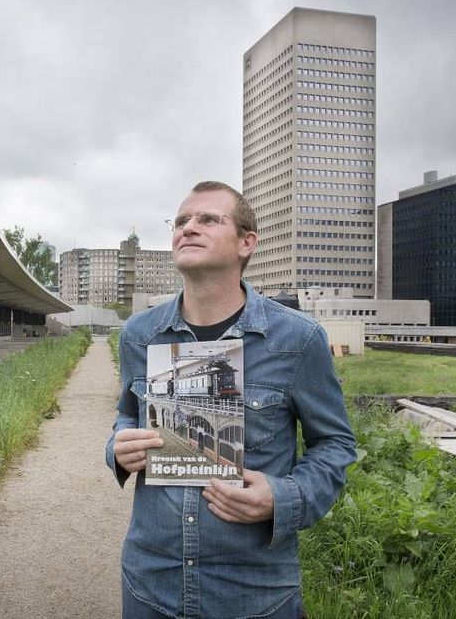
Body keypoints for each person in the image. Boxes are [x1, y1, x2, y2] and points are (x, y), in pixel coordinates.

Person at [105, 181, 356, 619]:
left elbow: (335, 445)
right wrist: (120, 446)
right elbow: (127, 415)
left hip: (253, 591)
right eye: (181, 221)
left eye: (208, 219)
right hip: (150, 582)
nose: (189, 228)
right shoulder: (139, 335)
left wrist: (284, 497)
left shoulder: (297, 340)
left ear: (246, 243)